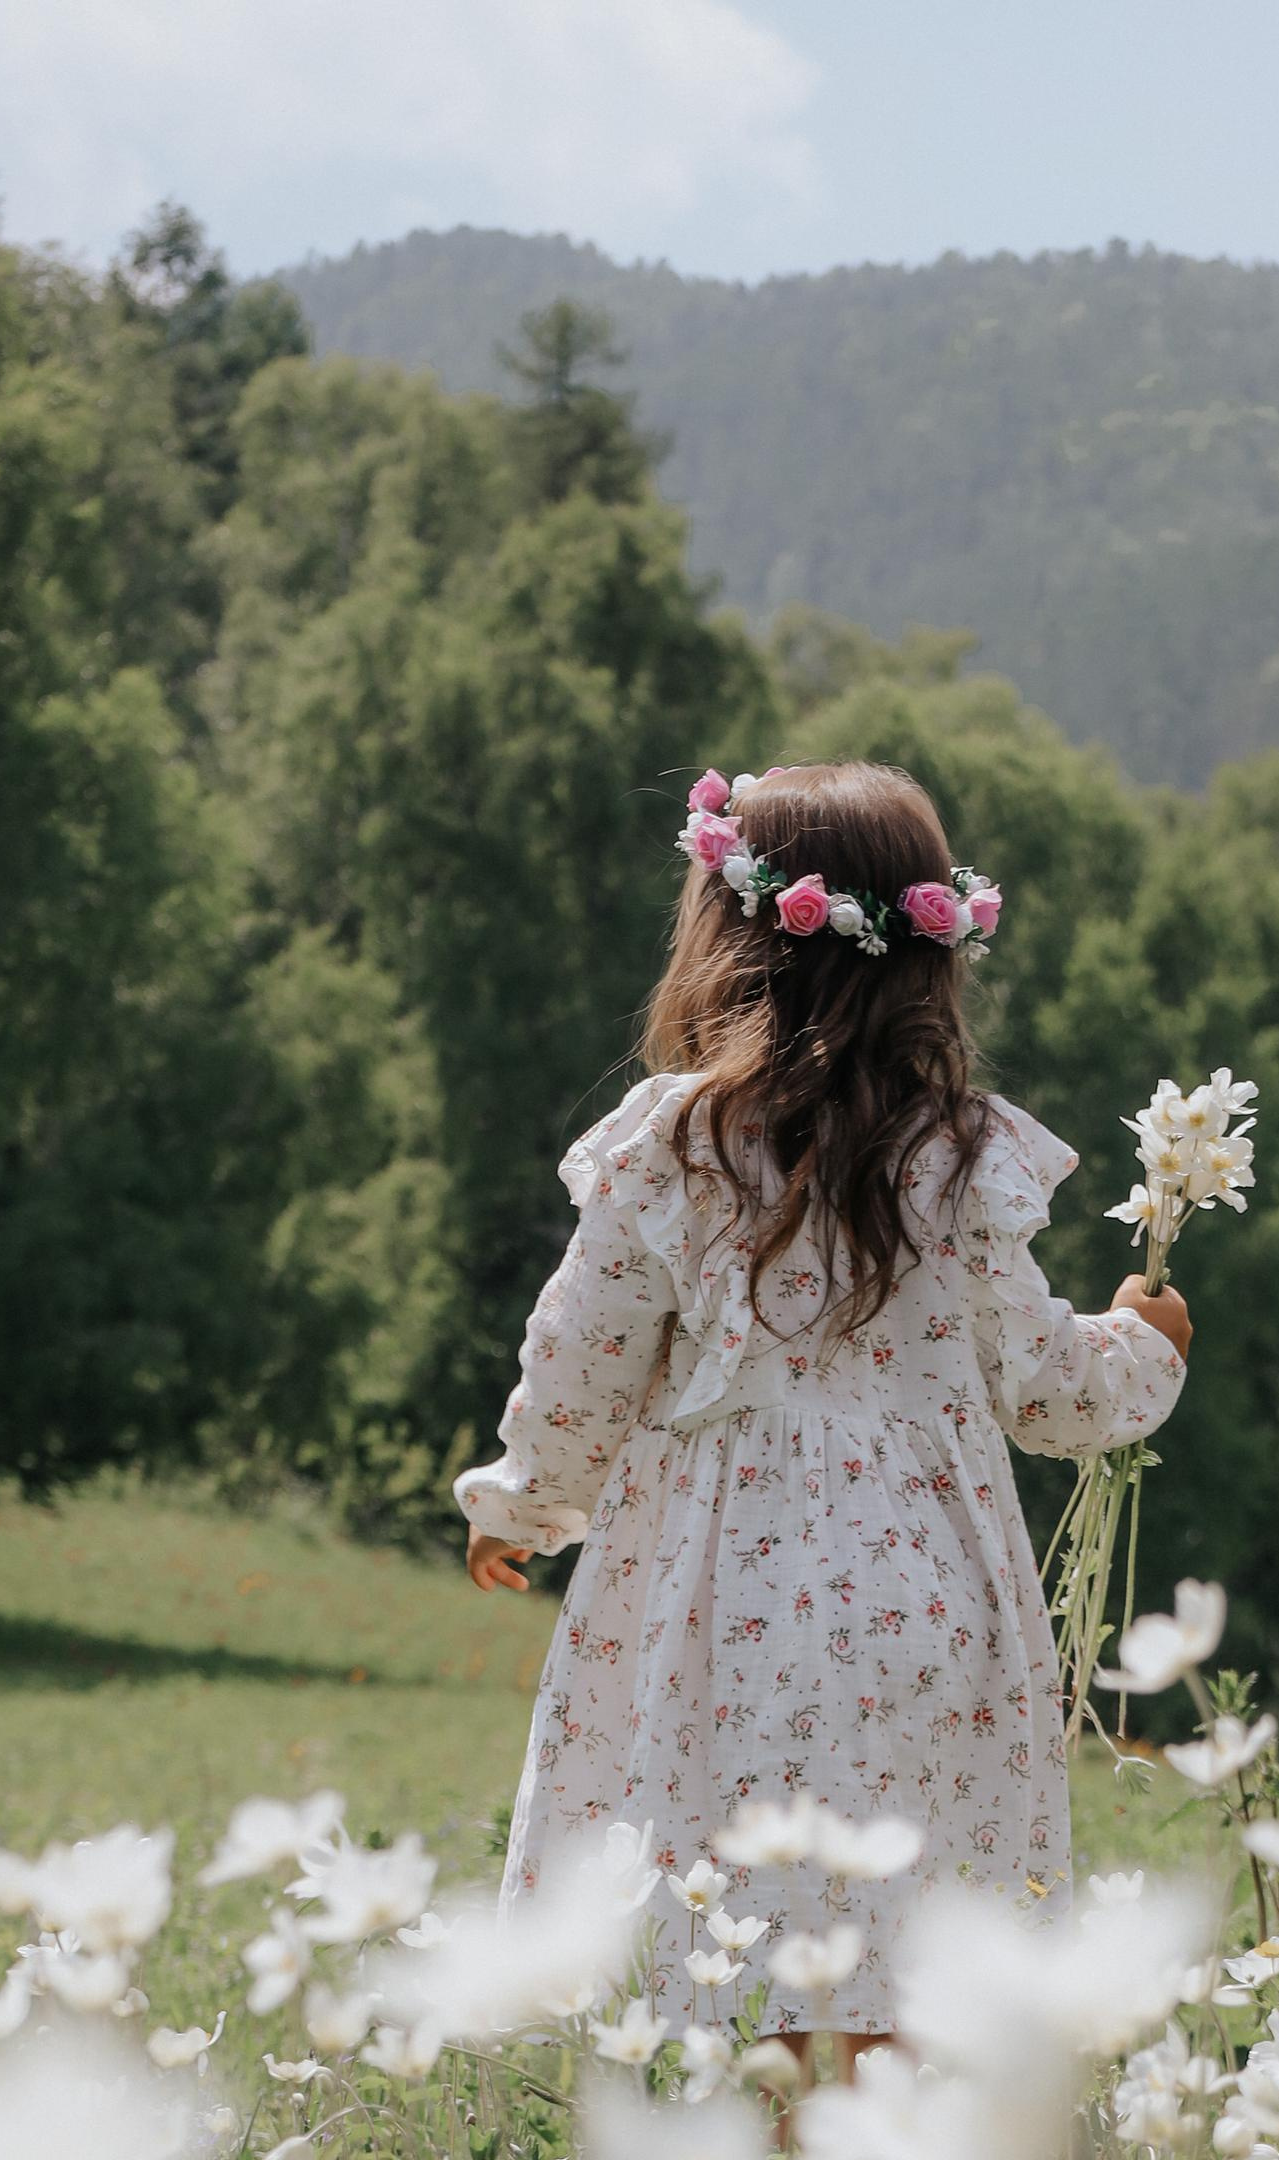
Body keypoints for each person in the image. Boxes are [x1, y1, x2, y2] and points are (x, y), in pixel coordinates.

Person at [459, 757, 1192, 2052]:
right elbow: (1044, 1389)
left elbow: (584, 1354)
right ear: (928, 955)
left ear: (727, 935)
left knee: (737, 1885)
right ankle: (884, 2156)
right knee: (906, 1892)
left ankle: (775, 2157)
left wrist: (529, 1500)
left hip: (719, 1598)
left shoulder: (677, 1142)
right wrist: (1143, 1346)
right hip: (931, 1595)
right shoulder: (956, 1156)